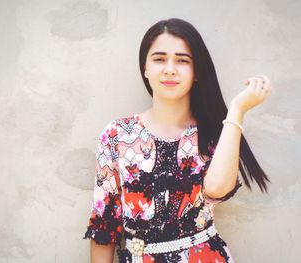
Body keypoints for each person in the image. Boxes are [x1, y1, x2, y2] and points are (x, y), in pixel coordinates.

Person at [83, 18, 272, 263]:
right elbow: (104, 226)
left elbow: (217, 189)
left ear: (196, 72)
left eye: (182, 60)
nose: (170, 69)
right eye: (159, 59)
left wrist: (237, 110)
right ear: (145, 68)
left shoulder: (214, 131)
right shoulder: (117, 135)